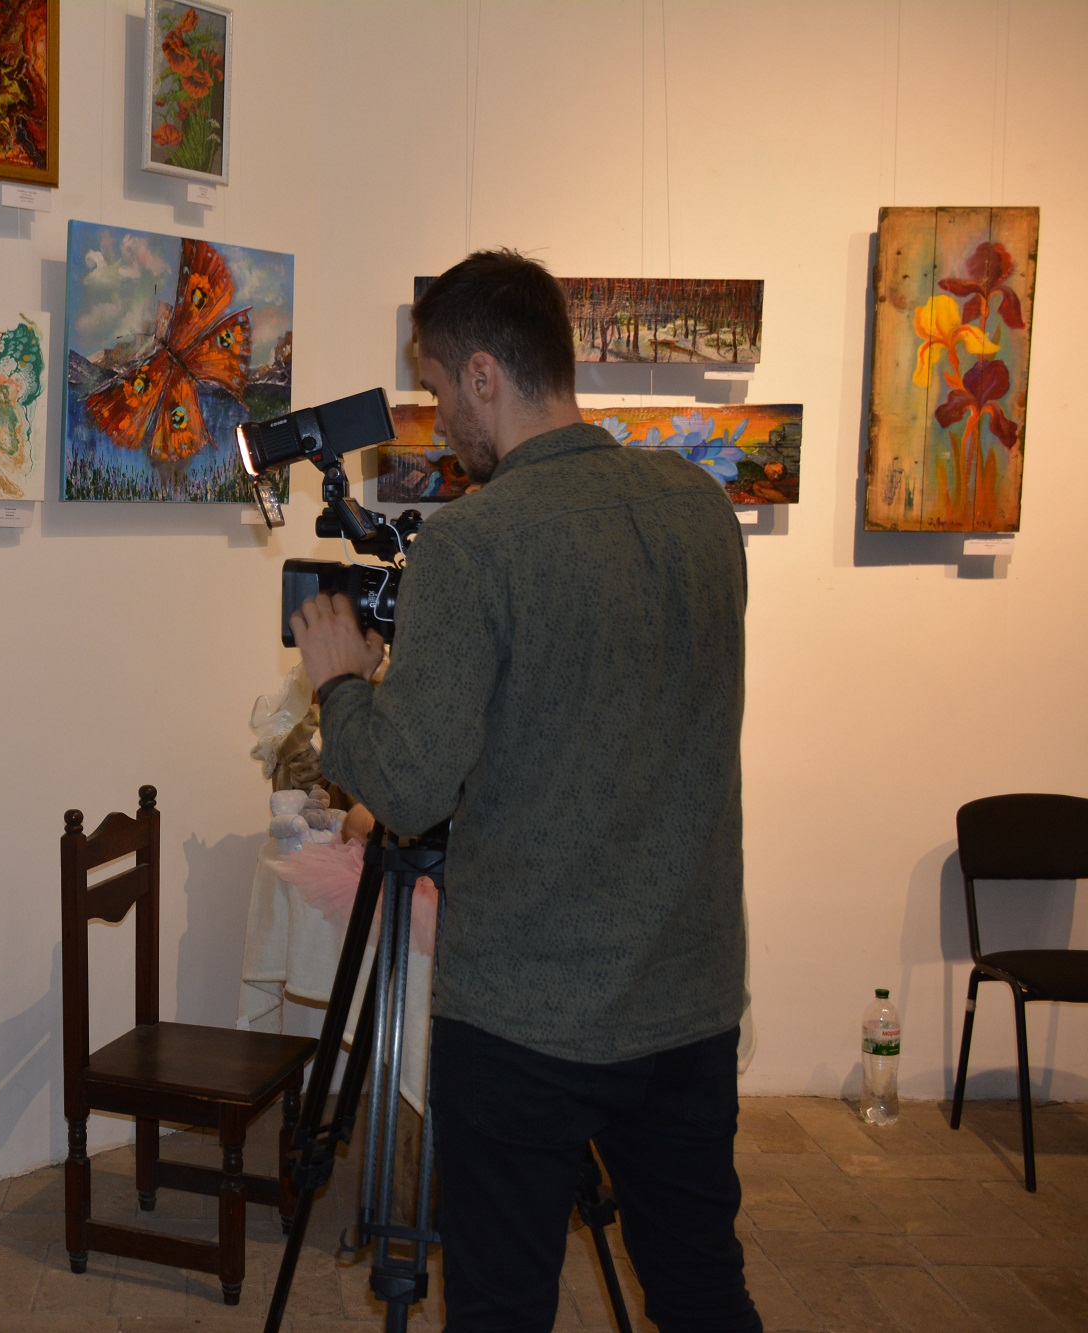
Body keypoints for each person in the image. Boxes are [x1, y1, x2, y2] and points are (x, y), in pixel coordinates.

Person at [290, 250, 758, 1332]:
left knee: (501, 1305)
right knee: (701, 1288)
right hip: (685, 996)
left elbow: (408, 789)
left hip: (525, 1018)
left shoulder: (476, 543)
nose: (436, 412)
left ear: (484, 374)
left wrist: (342, 688)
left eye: (435, 384)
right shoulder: (700, 510)